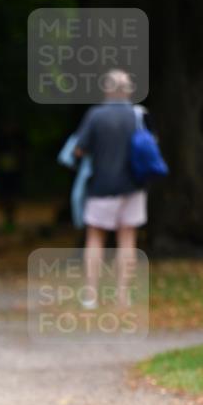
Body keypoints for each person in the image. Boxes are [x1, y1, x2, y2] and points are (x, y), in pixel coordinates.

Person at [74, 70, 148, 308]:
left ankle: (91, 295)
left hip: (101, 186)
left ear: (106, 89)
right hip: (133, 187)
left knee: (95, 239)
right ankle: (122, 296)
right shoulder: (139, 114)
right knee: (127, 240)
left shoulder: (96, 115)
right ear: (128, 90)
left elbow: (79, 150)